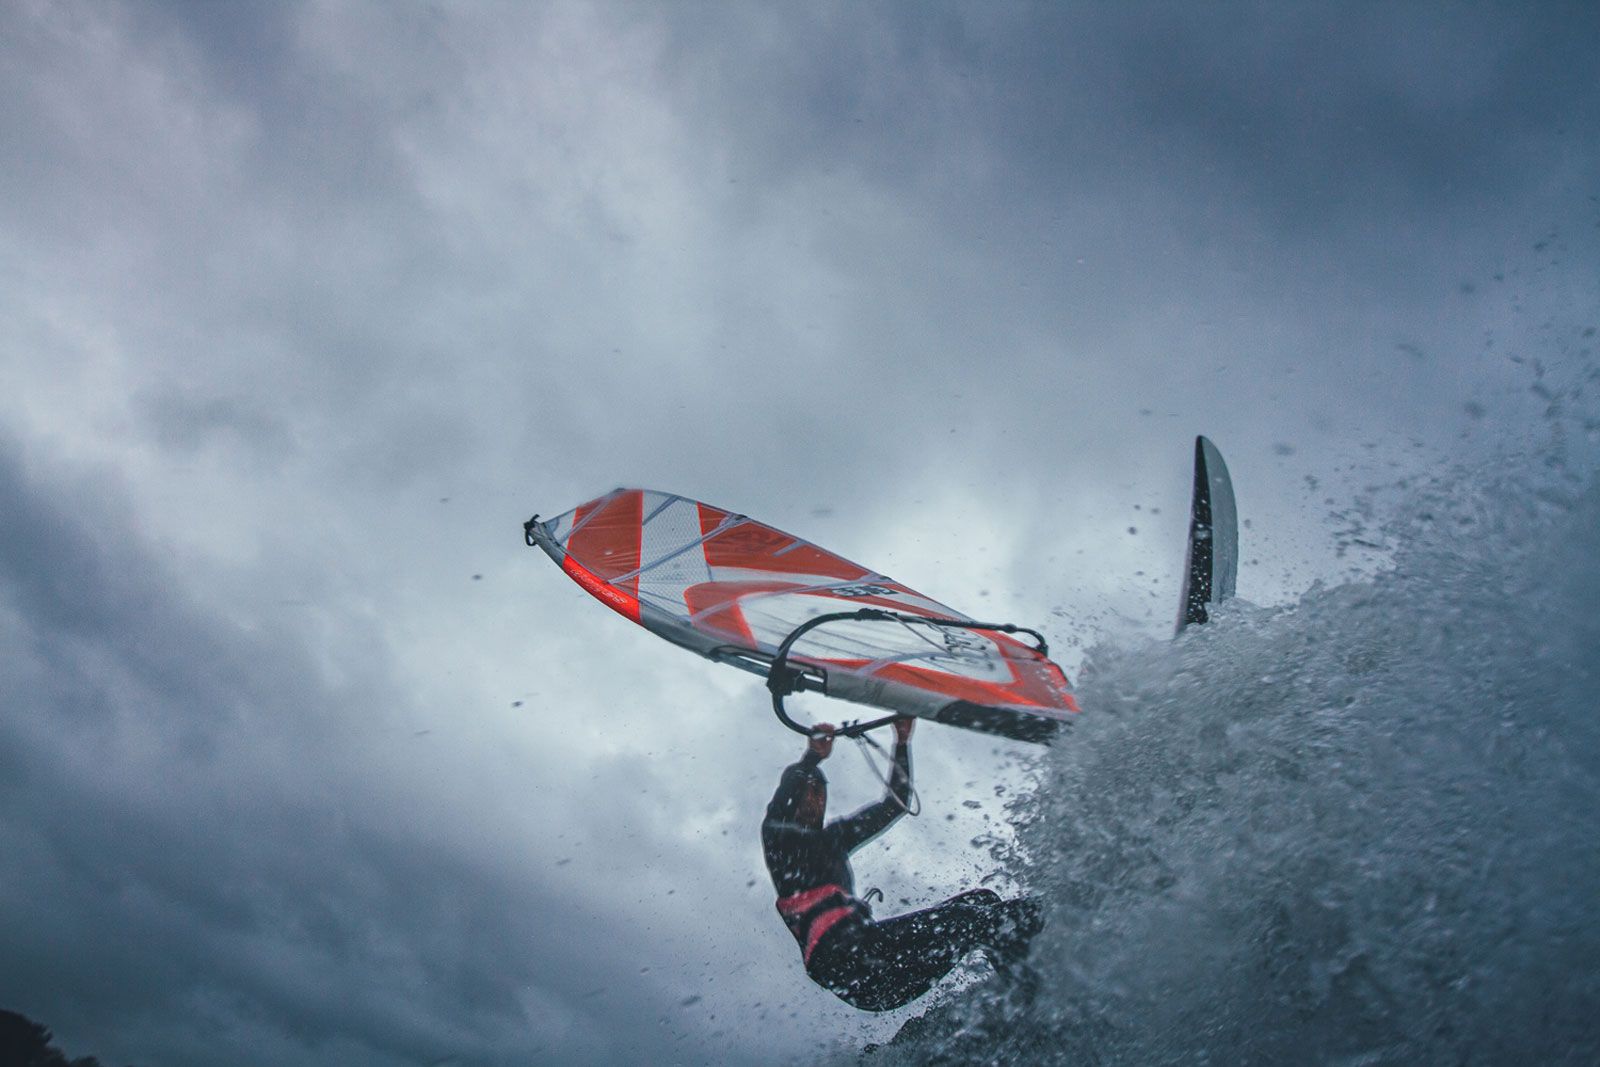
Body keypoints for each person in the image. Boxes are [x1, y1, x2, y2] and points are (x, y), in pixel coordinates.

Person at [761, 716, 1043, 1012]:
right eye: (809, 791)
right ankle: (1055, 916)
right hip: (850, 966)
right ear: (794, 796)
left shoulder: (835, 839)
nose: (816, 800)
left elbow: (895, 805)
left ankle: (1021, 996)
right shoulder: (779, 841)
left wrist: (902, 742)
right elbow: (781, 801)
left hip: (887, 971)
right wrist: (811, 759)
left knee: (982, 902)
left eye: (820, 793)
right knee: (970, 919)